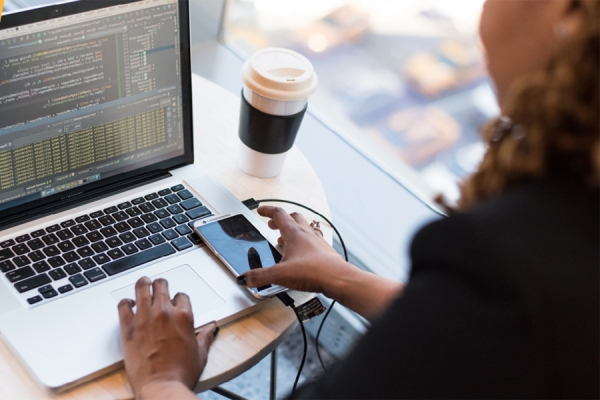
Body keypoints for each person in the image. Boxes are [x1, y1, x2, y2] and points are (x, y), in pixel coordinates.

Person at [117, 0, 599, 398]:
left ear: (569, 18)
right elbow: (485, 338)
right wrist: (340, 277)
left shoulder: (503, 262)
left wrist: (162, 381)